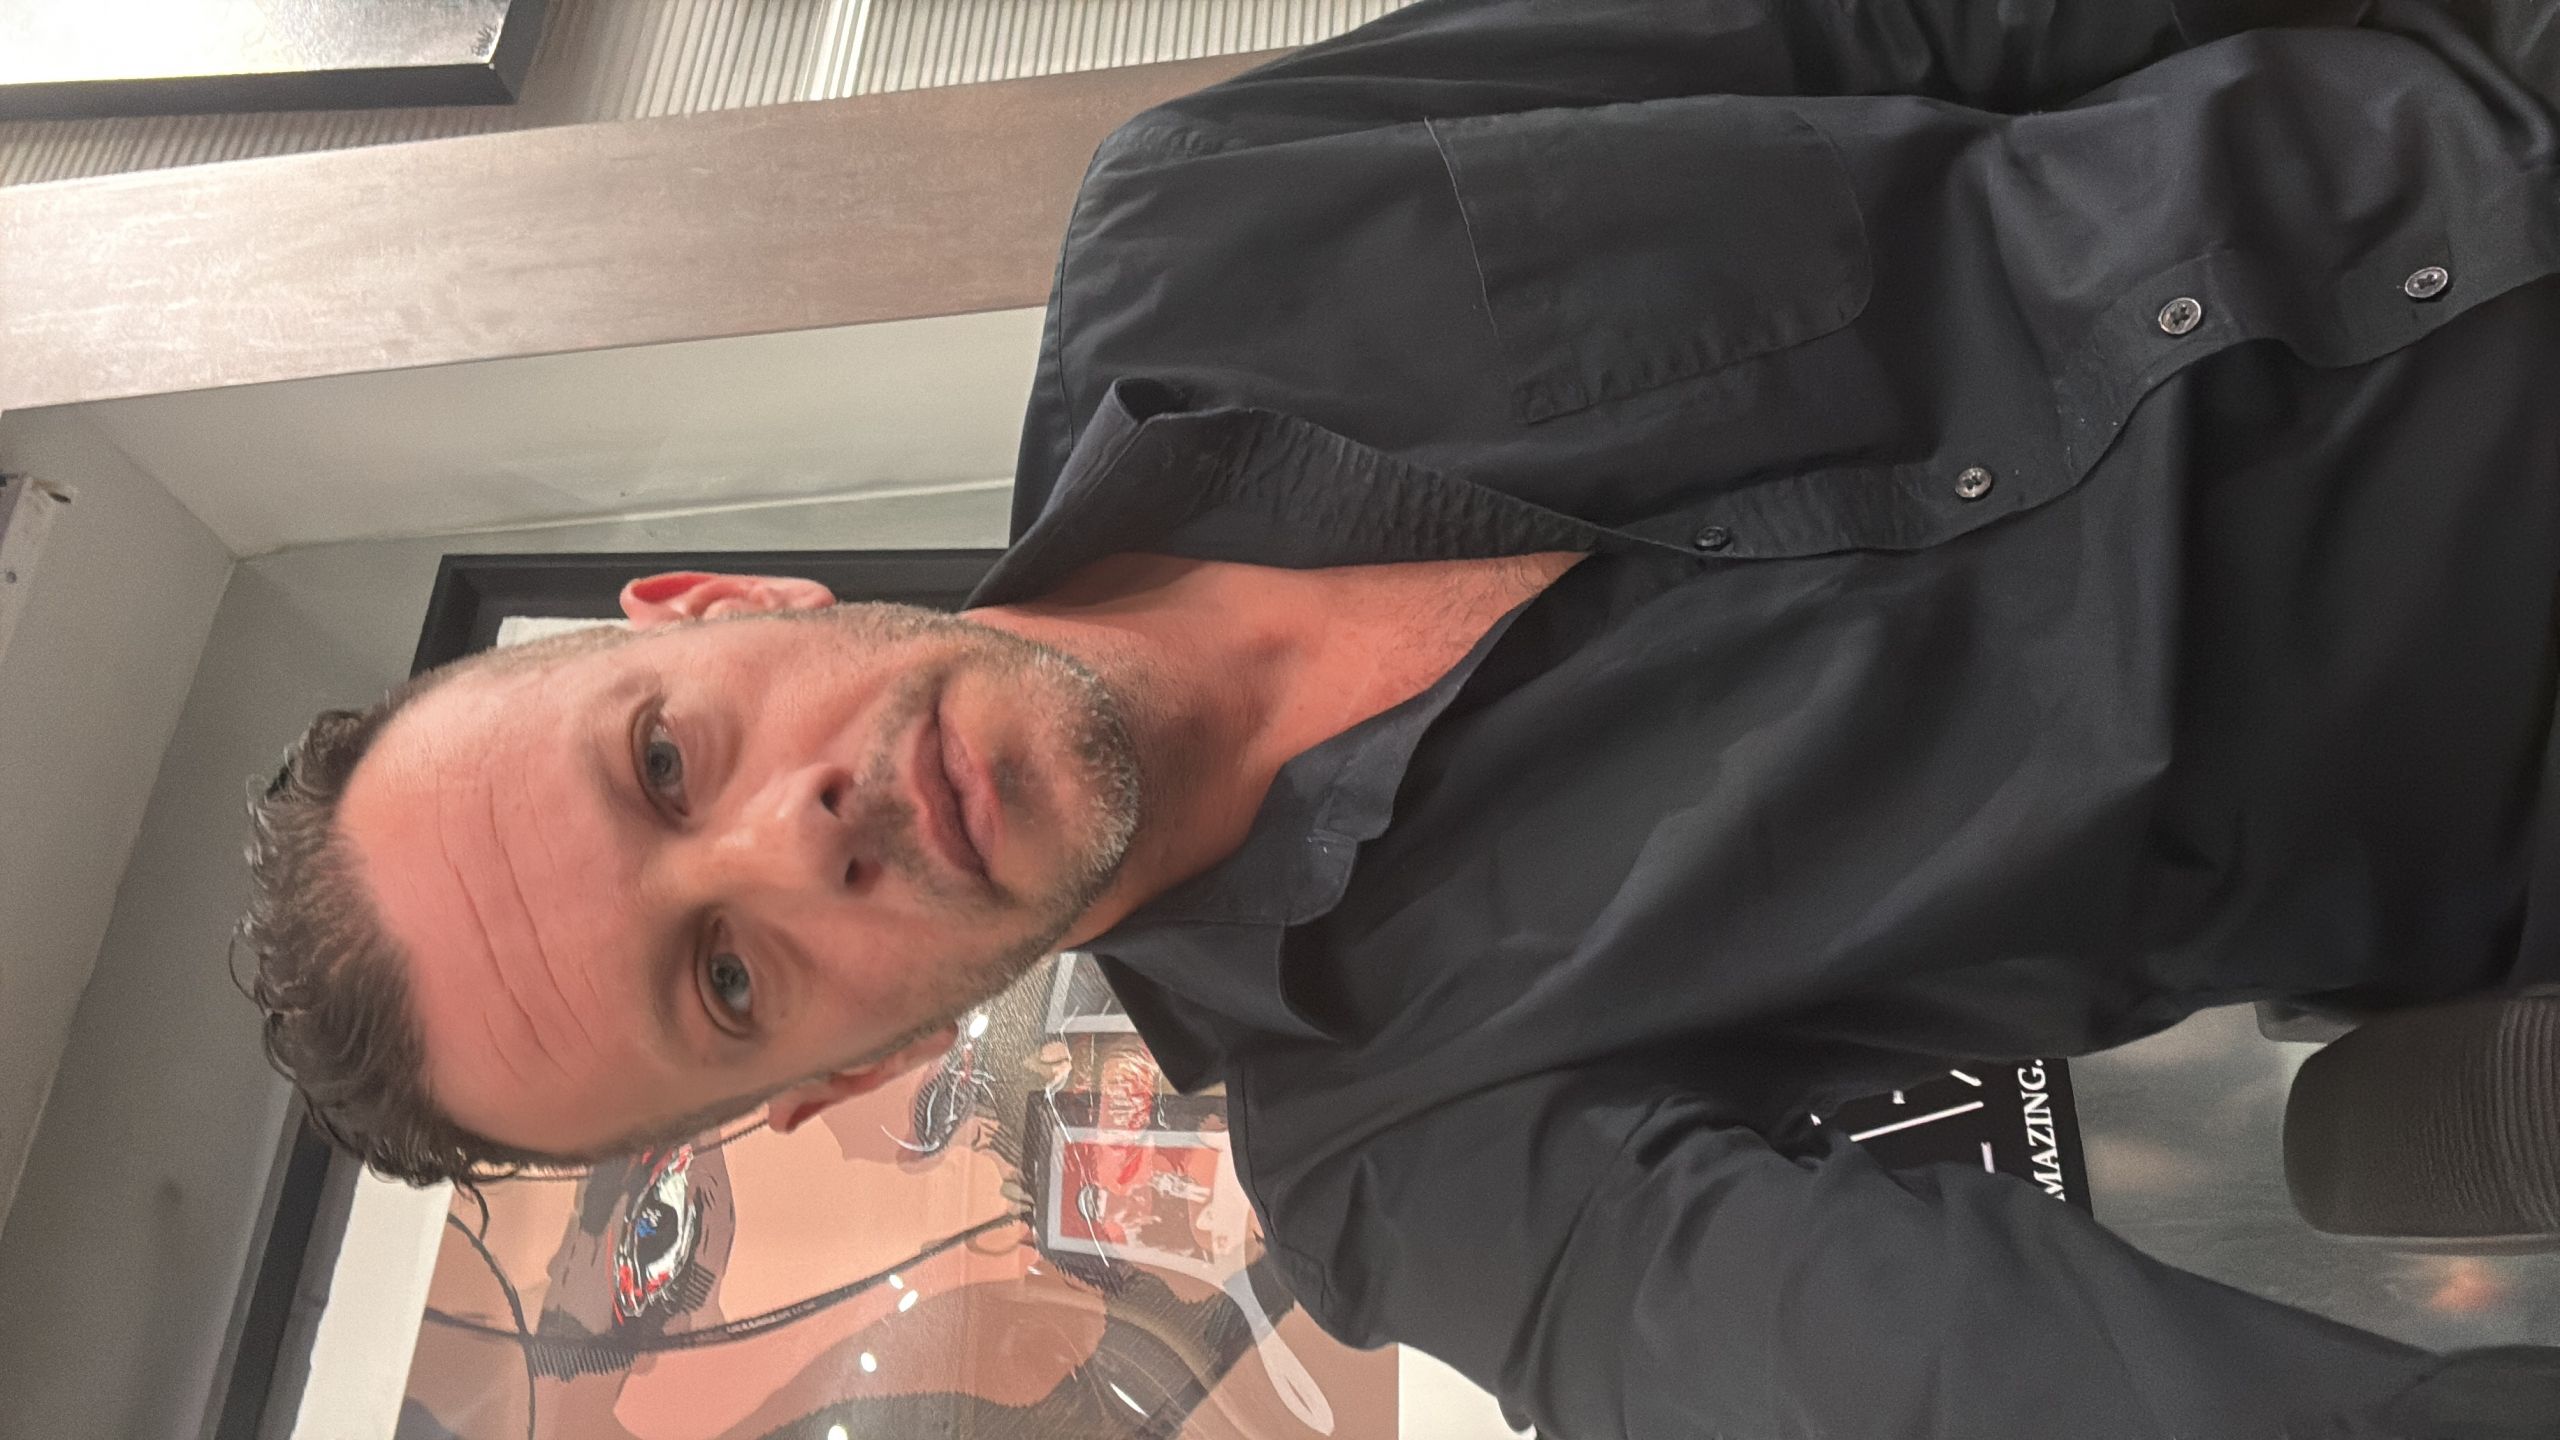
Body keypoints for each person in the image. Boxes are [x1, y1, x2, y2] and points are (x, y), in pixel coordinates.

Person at [236, 0, 2560, 1434]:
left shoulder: (1208, 222)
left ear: (716, 605)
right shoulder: (1424, 1175)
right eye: (726, 977)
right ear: (839, 1076)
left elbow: (1904, 19)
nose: (797, 832)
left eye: (667, 762)